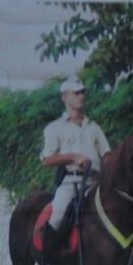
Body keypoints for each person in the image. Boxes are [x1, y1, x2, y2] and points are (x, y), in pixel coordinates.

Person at [38, 77, 109, 243]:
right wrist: (73, 157)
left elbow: (107, 155)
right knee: (56, 217)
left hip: (96, 183)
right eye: (76, 93)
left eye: (83, 92)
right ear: (65, 97)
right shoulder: (54, 128)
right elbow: (46, 160)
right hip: (71, 182)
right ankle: (48, 264)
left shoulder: (94, 127)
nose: (81, 96)